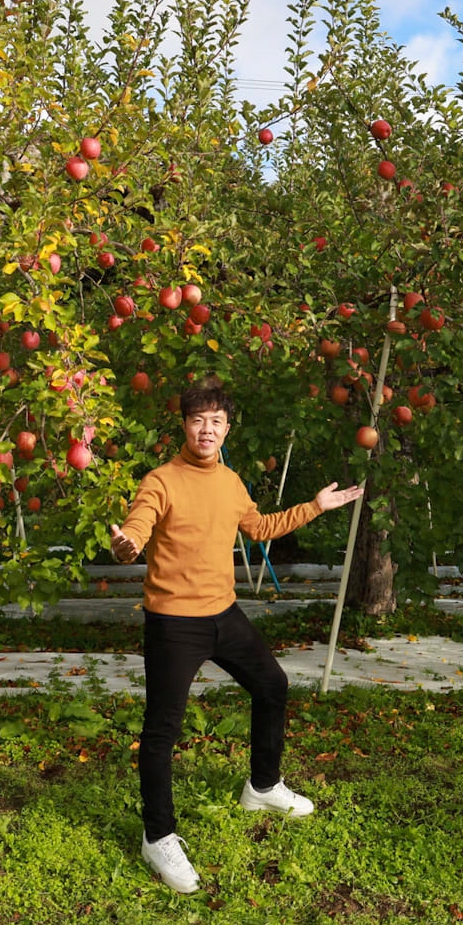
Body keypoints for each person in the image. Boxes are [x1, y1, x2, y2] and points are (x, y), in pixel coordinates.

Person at [110, 376, 362, 894]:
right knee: (163, 731)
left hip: (224, 615)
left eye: (216, 422)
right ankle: (157, 836)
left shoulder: (230, 481)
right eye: (198, 420)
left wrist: (316, 506)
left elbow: (260, 527)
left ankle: (263, 786)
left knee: (272, 685)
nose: (207, 430)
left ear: (226, 429)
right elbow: (137, 524)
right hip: (174, 623)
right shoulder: (161, 480)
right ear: (184, 425)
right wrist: (127, 544)